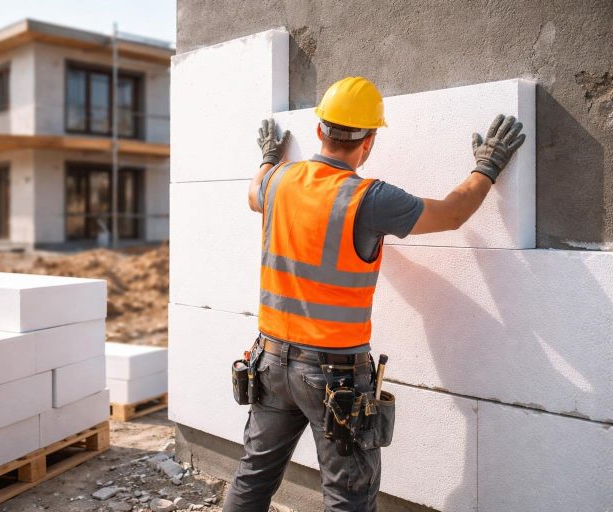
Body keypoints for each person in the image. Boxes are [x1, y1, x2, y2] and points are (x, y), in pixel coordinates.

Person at [223, 76, 526, 512]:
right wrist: (488, 165)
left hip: (270, 364)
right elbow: (454, 213)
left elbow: (255, 192)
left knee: (253, 477)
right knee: (347, 498)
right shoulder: (371, 199)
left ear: (319, 131)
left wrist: (269, 157)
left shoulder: (277, 182)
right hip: (333, 375)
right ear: (369, 142)